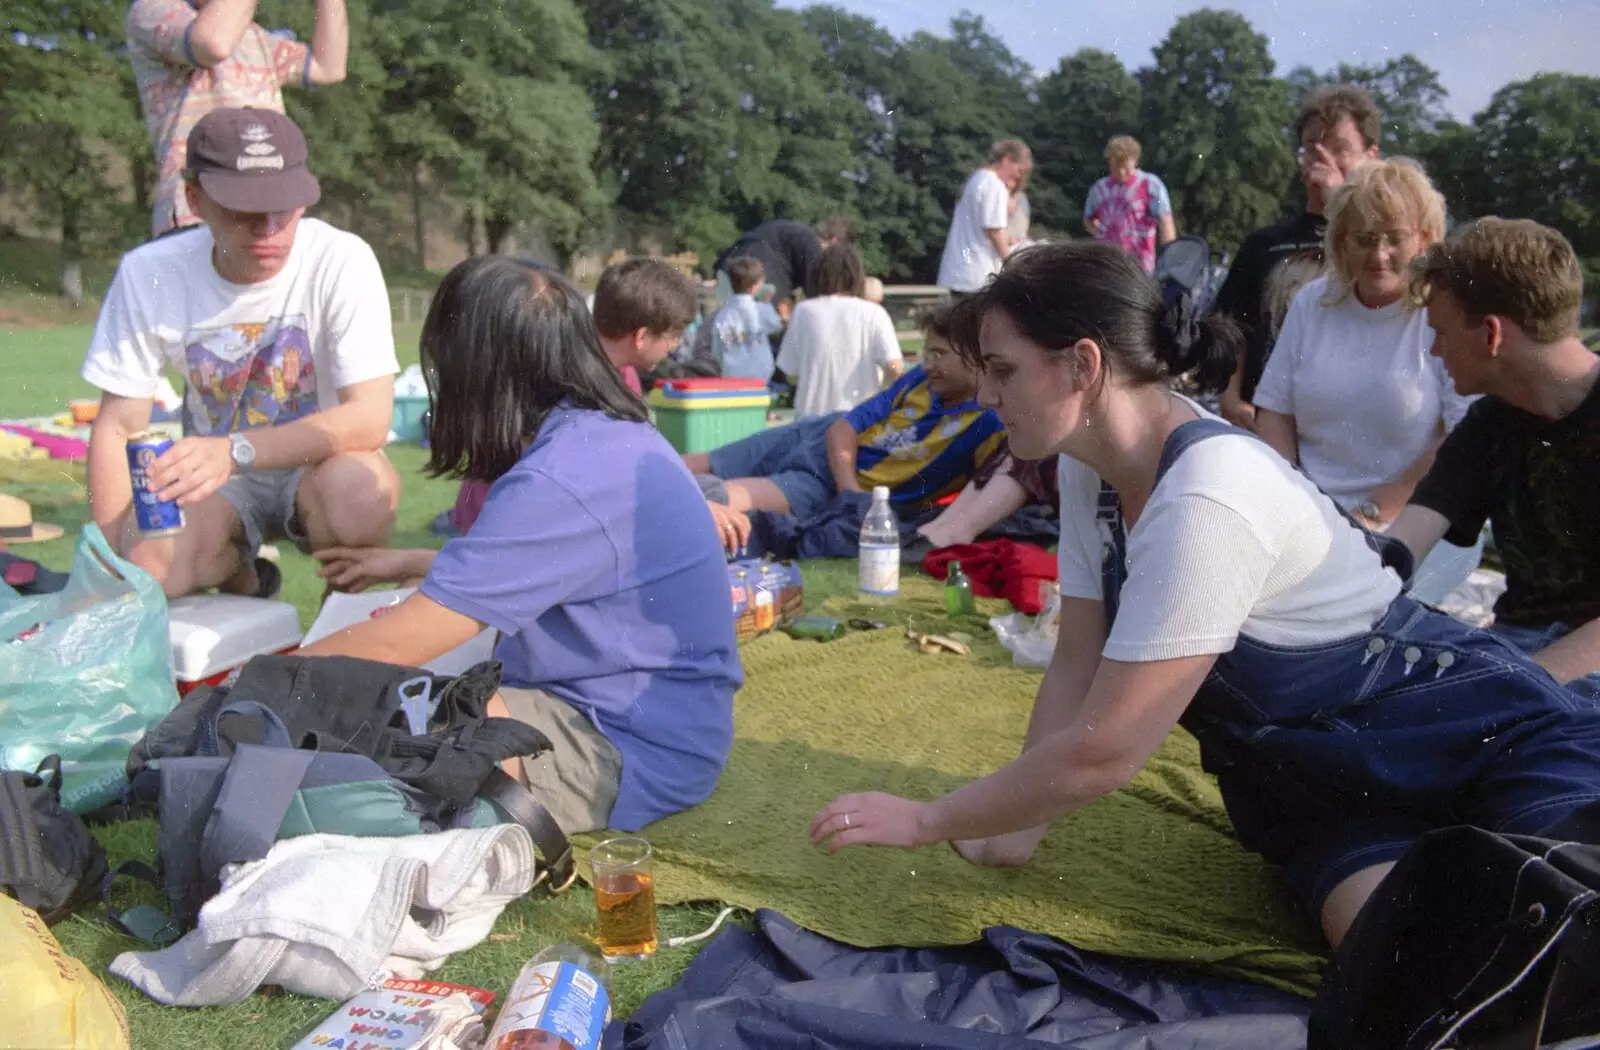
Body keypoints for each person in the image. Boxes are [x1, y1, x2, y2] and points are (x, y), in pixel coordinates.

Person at [809, 241, 1600, 951]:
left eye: (1004, 370)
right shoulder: (1090, 470)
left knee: (1550, 940)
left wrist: (928, 820)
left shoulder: (1210, 490)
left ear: (1083, 365)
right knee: (1413, 968)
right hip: (1328, 796)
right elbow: (1076, 670)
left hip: (1485, 743)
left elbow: (1107, 748)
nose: (985, 395)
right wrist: (1013, 826)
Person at [304, 257, 743, 834]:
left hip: (619, 741)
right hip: (654, 719)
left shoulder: (564, 474)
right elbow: (557, 570)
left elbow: (398, 642)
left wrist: (253, 685)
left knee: (350, 761)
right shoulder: (599, 437)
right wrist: (412, 562)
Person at [82, 107, 398, 601]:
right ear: (195, 199)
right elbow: (118, 425)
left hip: (320, 464)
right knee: (149, 567)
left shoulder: (343, 258)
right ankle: (245, 578)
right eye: (245, 210)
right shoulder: (150, 272)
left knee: (360, 496)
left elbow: (371, 418)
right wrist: (105, 559)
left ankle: (342, 626)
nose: (268, 228)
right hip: (215, 481)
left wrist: (235, 451)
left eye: (285, 207)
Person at [1388, 217, 1600, 698]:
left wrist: (1508, 690)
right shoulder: (1489, 424)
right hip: (1520, 651)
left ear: (1490, 334)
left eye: (1440, 331)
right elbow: (1402, 547)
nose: (1436, 351)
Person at [1252, 159, 1481, 605]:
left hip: (1417, 519)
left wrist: (1375, 512)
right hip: (1311, 515)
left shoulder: (1442, 314)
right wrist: (1292, 500)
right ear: (1340, 240)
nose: (1379, 256)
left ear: (1425, 240)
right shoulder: (1311, 303)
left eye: (1395, 239)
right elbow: (1275, 410)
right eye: (1364, 239)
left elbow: (1461, 438)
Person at [441, 256, 741, 546]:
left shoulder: (621, 376)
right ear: (641, 336)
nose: (676, 346)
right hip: (516, 521)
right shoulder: (569, 384)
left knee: (708, 491)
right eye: (674, 336)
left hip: (540, 511)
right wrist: (683, 505)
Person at [685, 304, 1003, 521]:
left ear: (976, 357)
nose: (928, 364)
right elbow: (843, 428)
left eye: (939, 354)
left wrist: (851, 500)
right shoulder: (918, 381)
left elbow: (989, 488)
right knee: (699, 464)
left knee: (723, 499)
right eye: (926, 353)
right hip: (820, 439)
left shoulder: (988, 422)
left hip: (824, 487)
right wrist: (849, 490)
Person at [1212, 85, 1381, 428]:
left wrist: (1340, 201)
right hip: (1264, 421)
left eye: (1339, 149)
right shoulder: (1265, 243)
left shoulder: (1384, 244)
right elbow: (1232, 326)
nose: (1322, 160)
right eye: (1311, 149)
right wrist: (1230, 398)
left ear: (1371, 156)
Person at [128, 0, 349, 239]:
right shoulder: (153, 10)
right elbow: (213, 43)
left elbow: (328, 67)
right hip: (200, 212)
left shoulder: (253, 35)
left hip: (269, 207)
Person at [776, 244, 904, 418]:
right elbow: (895, 367)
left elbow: (790, 372)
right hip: (858, 420)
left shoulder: (804, 311)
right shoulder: (874, 312)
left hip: (810, 420)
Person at [937, 139, 1033, 296]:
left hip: (960, 272)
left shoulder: (977, 178)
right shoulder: (994, 186)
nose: (1018, 175)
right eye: (1019, 170)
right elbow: (994, 231)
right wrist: (1011, 264)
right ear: (1007, 159)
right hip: (978, 275)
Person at [713, 216, 855, 315]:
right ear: (835, 241)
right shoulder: (810, 241)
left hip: (730, 268)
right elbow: (816, 289)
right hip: (759, 272)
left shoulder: (792, 232)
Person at [1083, 136, 1176, 275]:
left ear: (1135, 161)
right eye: (1116, 167)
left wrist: (1169, 262)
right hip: (1107, 266)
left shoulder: (1151, 185)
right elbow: (1088, 219)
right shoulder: (1099, 189)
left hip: (1142, 267)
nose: (1121, 173)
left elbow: (1165, 223)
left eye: (1126, 167)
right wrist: (1103, 233)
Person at [709, 256, 784, 381]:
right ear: (756, 287)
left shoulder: (723, 315)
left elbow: (717, 350)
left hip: (732, 375)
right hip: (760, 375)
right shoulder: (761, 310)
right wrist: (767, 302)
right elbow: (777, 325)